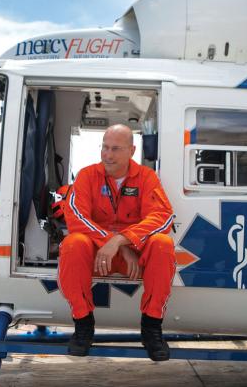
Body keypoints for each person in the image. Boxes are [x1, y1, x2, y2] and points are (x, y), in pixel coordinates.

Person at [58, 124, 176, 361]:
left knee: (163, 244)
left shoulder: (146, 177)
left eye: (115, 149)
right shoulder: (87, 175)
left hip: (134, 259)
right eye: (104, 147)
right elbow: (75, 217)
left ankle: (151, 328)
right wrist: (113, 243)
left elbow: (162, 217)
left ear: (131, 151)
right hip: (99, 257)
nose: (107, 155)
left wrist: (123, 241)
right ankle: (83, 325)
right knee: (73, 243)